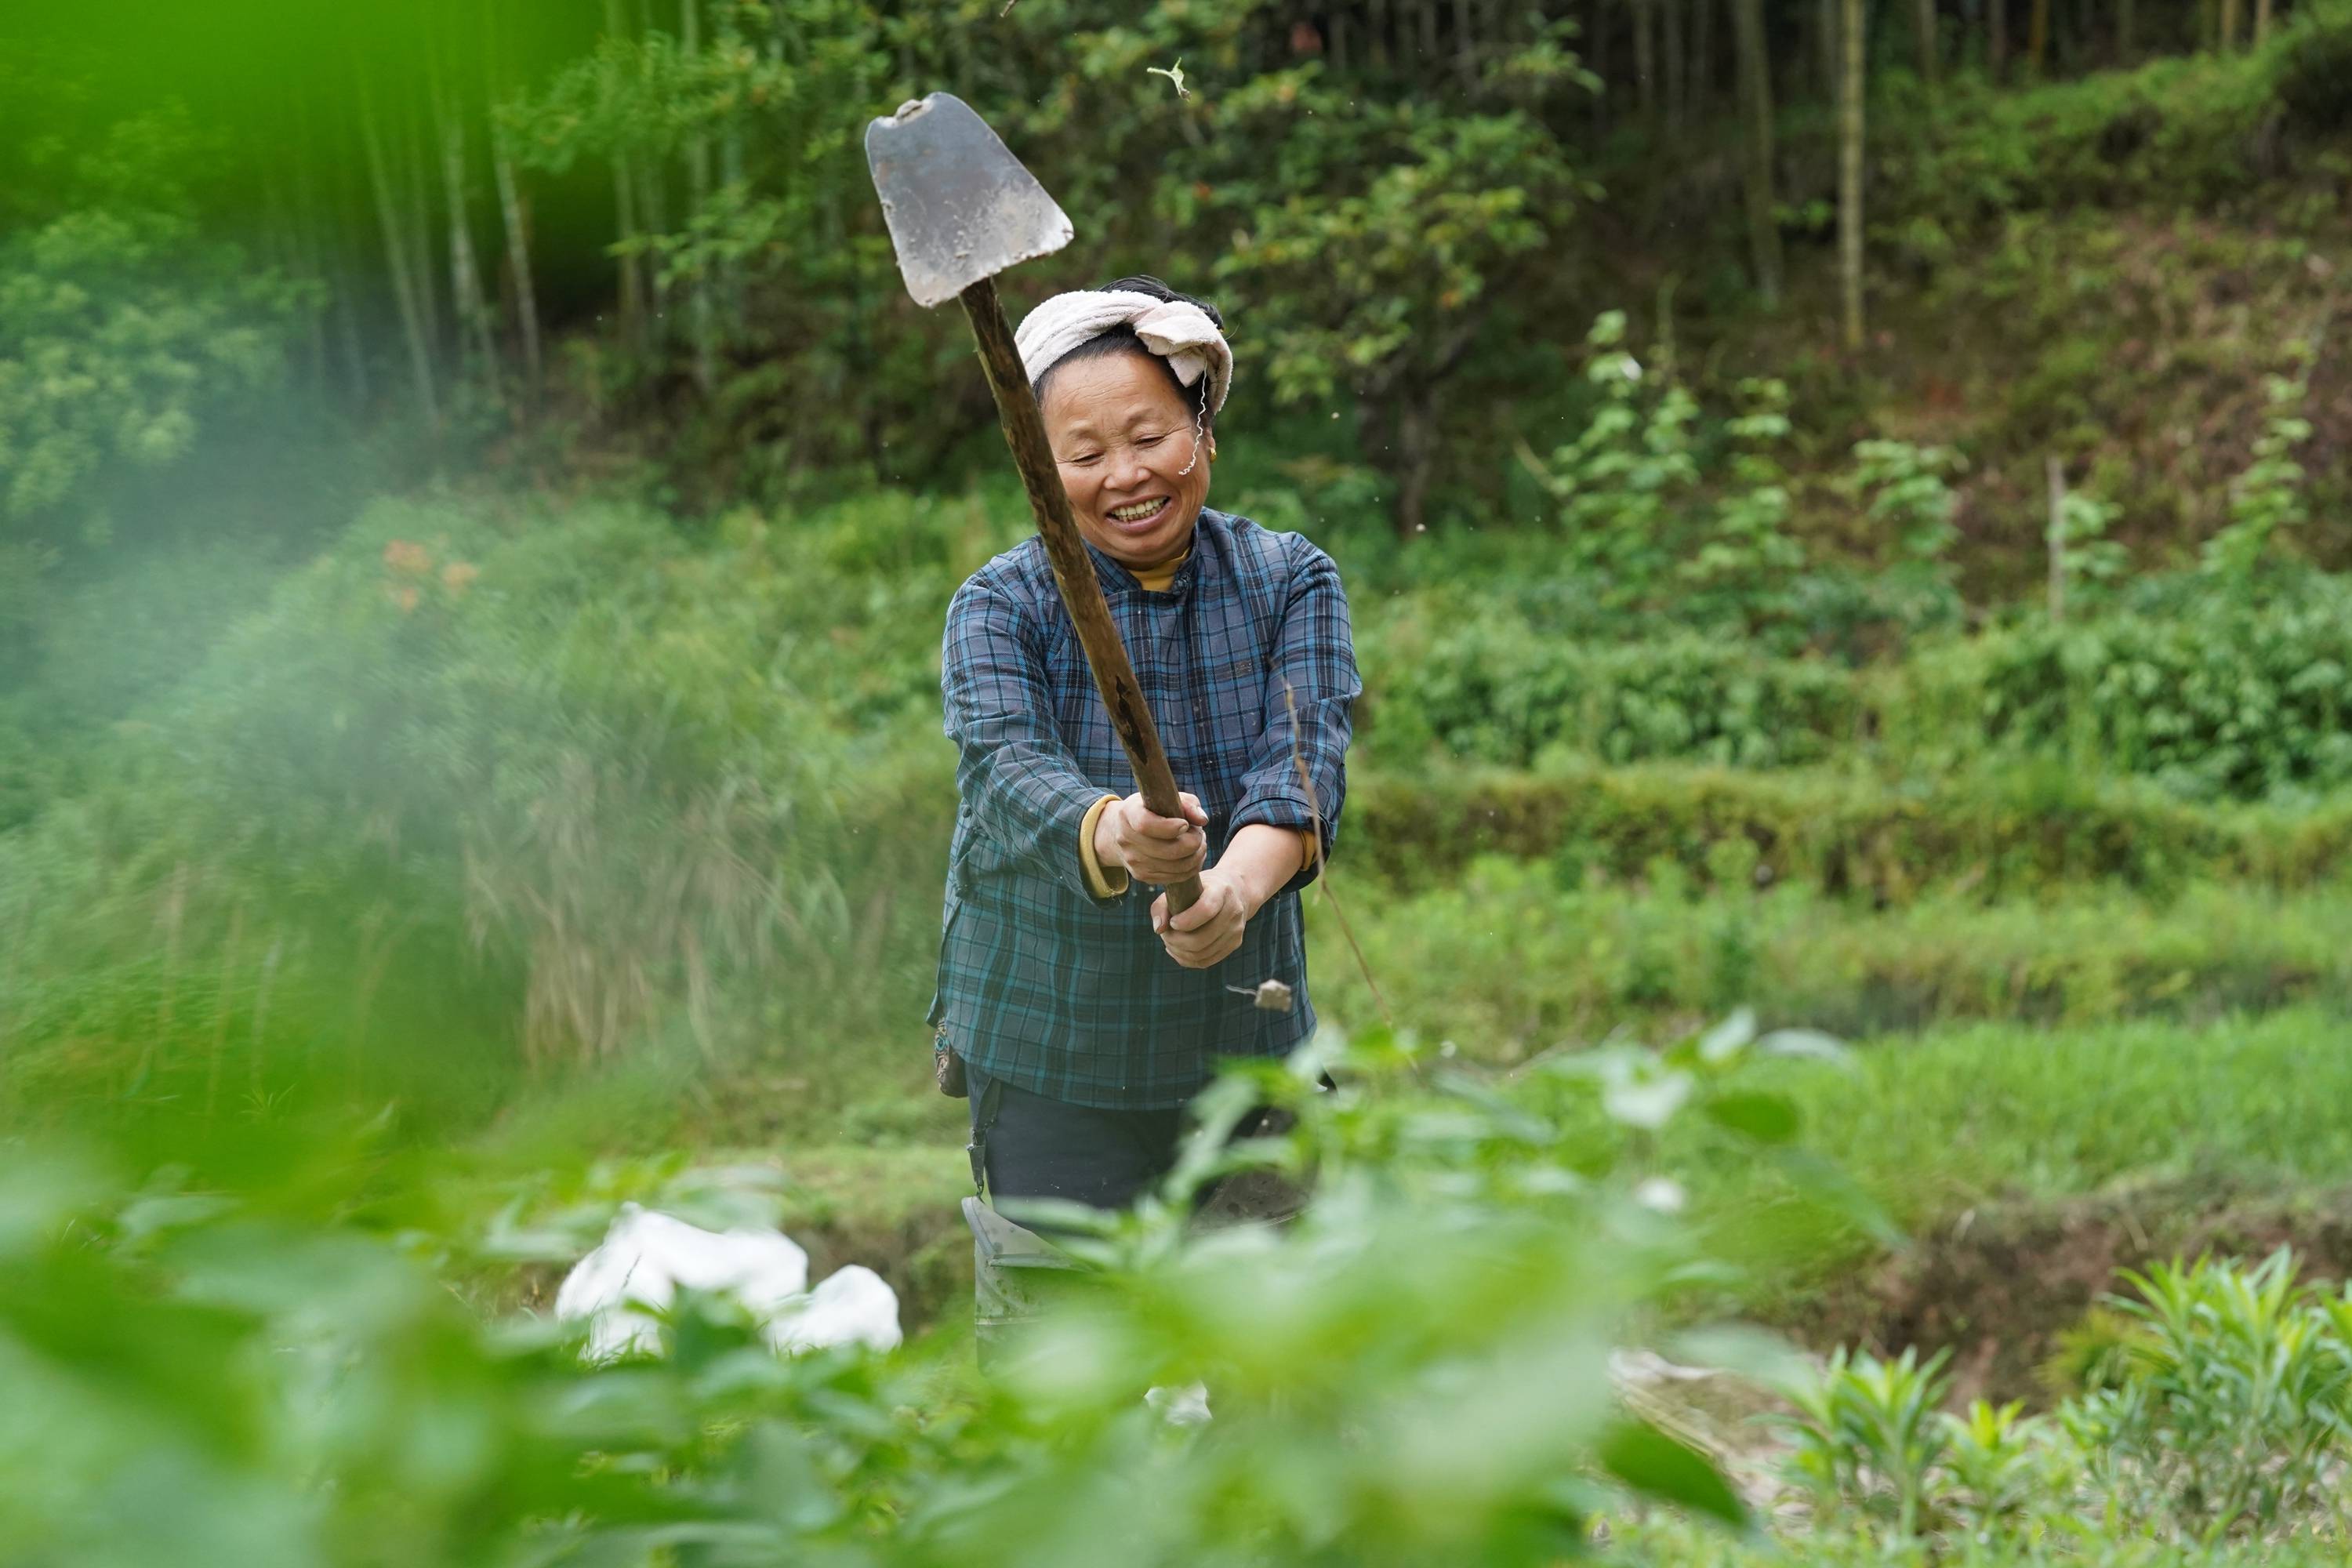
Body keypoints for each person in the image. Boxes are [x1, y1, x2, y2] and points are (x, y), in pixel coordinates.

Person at [929, 274, 1359, 1221]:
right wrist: (1118, 831)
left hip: (1248, 1042)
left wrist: (1232, 892)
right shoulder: (1002, 603)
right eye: (1083, 454)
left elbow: (1305, 767)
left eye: (1150, 437)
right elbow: (1004, 766)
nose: (1125, 475)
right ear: (1039, 469)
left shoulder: (1290, 578)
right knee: (1069, 1360)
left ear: (1203, 429)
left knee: (1276, 1348)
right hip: (1051, 1051)